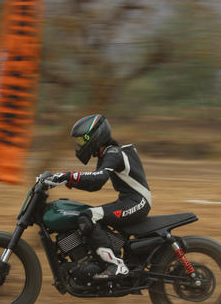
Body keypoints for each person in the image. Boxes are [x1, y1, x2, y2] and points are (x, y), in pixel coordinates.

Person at [51, 114, 151, 280]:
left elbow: (99, 177)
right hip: (129, 201)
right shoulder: (107, 153)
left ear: (95, 136)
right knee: (87, 215)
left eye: (82, 140)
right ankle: (98, 259)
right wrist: (69, 181)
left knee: (88, 216)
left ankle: (116, 265)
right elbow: (95, 185)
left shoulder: (113, 153)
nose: (80, 145)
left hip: (137, 202)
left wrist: (69, 176)